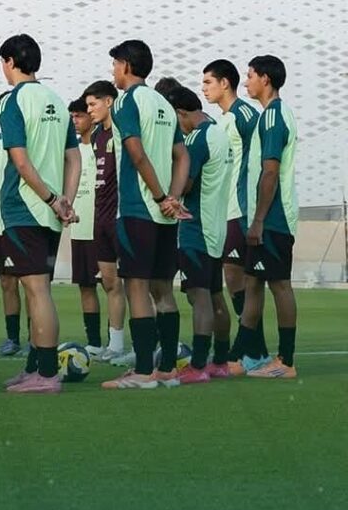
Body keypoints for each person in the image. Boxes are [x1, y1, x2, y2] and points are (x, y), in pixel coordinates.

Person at [101, 40, 190, 390]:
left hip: (139, 209)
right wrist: (174, 198)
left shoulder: (127, 101)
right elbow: (182, 156)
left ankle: (142, 371)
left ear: (125, 65)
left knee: (136, 287)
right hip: (165, 214)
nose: (113, 71)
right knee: (164, 290)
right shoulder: (164, 103)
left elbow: (136, 154)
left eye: (115, 64)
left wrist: (159, 196)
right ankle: (167, 369)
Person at [0, 34, 80, 394]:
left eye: (2, 62)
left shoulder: (13, 101)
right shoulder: (56, 100)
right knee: (36, 289)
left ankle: (46, 374)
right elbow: (73, 158)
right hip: (49, 211)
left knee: (37, 289)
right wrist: (65, 200)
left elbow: (20, 160)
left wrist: (50, 199)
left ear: (11, 62)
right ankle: (34, 366)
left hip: (26, 208)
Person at [236, 55, 299, 378]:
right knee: (253, 283)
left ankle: (285, 361)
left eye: (249, 75)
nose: (246, 82)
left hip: (274, 219)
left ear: (265, 79)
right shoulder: (269, 115)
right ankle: (240, 355)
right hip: (265, 218)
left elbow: (270, 171)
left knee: (279, 285)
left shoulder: (273, 115)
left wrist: (259, 220)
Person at [166, 86, 233, 383]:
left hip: (196, 228)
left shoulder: (197, 139)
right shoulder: (218, 132)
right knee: (216, 294)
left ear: (181, 113)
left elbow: (187, 184)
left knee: (199, 295)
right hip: (216, 226)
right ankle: (220, 361)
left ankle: (198, 365)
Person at [201, 59, 265, 365]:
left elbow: (265, 159)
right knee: (233, 277)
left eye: (208, 82)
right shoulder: (221, 120)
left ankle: (251, 349)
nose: (203, 89)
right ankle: (255, 348)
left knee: (244, 279)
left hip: (242, 209)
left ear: (225, 83)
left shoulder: (245, 114)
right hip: (224, 211)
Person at [83, 80, 131, 365]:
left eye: (93, 104)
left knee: (138, 284)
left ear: (109, 101)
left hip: (122, 215)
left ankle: (152, 342)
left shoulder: (124, 129)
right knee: (109, 282)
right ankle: (115, 344)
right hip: (100, 216)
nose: (89, 110)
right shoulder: (97, 135)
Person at [0, 91, 27, 357]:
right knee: (6, 283)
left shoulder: (26, 141)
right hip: (0, 226)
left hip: (24, 223)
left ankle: (37, 339)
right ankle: (12, 339)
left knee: (33, 284)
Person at [68, 97, 103, 357]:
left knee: (115, 286)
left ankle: (118, 341)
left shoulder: (104, 146)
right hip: (80, 228)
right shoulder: (73, 152)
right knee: (86, 286)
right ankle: (94, 342)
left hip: (102, 227)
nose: (75, 121)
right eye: (72, 117)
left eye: (79, 115)